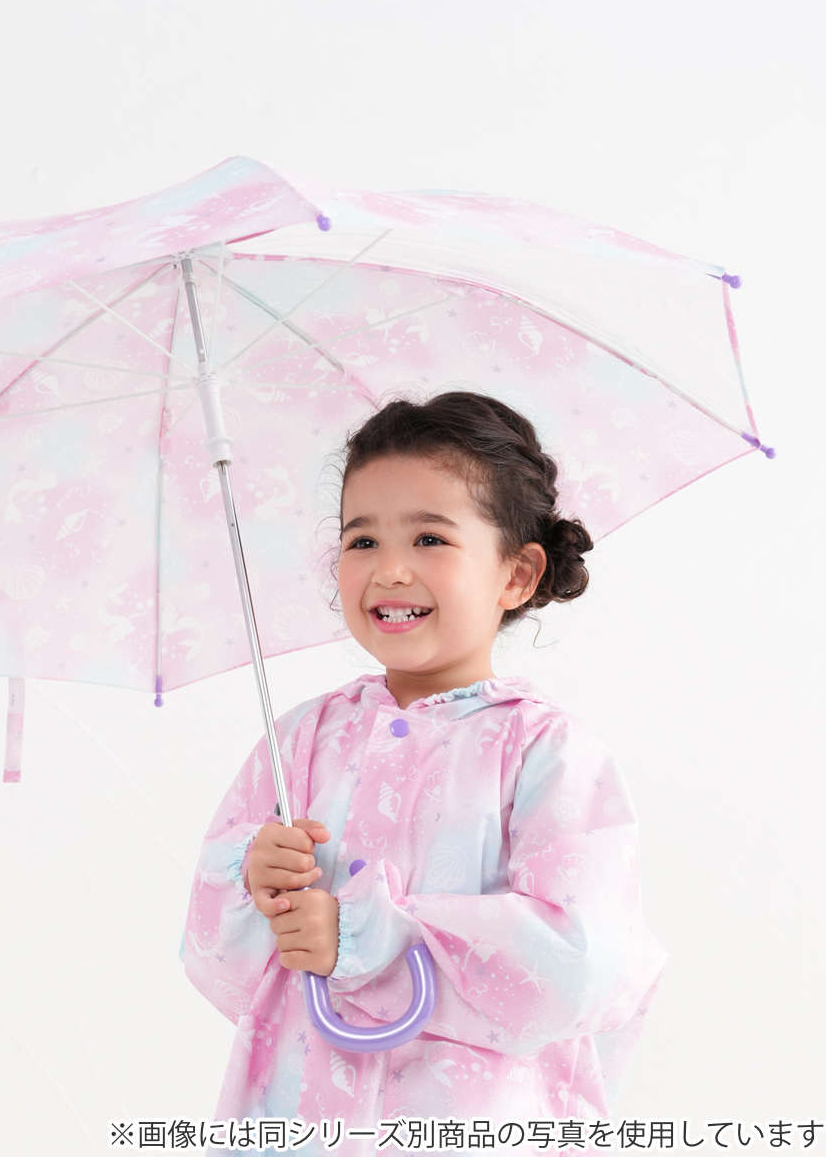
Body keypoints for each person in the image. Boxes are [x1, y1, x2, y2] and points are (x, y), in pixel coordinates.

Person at [178, 391, 669, 1156]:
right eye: (362, 540)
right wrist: (253, 886)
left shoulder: (546, 755)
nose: (389, 569)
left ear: (517, 573)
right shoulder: (299, 742)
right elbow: (221, 972)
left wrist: (375, 935)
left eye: (431, 538)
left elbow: (585, 964)